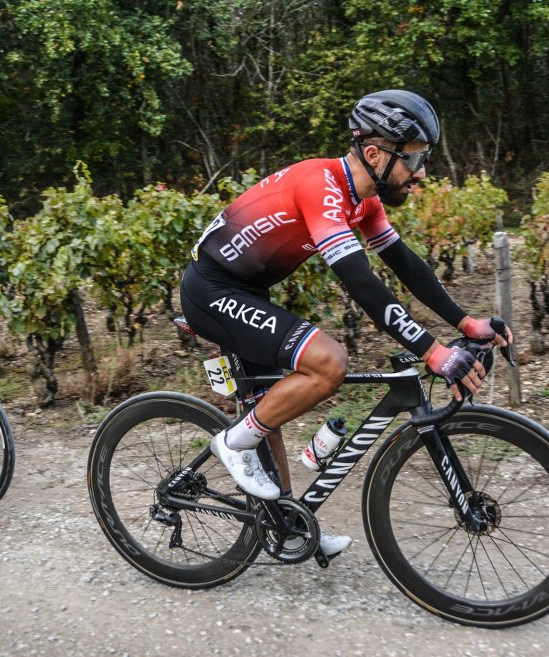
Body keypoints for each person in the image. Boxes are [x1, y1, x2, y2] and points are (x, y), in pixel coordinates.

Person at [179, 90, 512, 558]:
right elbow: (360, 282)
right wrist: (432, 351)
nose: (421, 174)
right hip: (211, 290)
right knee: (329, 362)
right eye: (415, 160)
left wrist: (466, 322)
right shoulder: (321, 186)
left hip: (248, 291)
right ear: (374, 155)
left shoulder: (365, 201)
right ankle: (232, 444)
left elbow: (405, 264)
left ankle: (284, 526)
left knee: (268, 408)